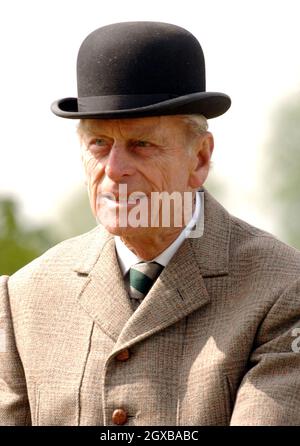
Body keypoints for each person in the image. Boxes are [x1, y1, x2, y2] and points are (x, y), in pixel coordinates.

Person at [1, 21, 300, 427]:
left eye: (142, 145)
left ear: (200, 158)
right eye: (99, 145)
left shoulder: (281, 288)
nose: (115, 170)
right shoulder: (24, 299)